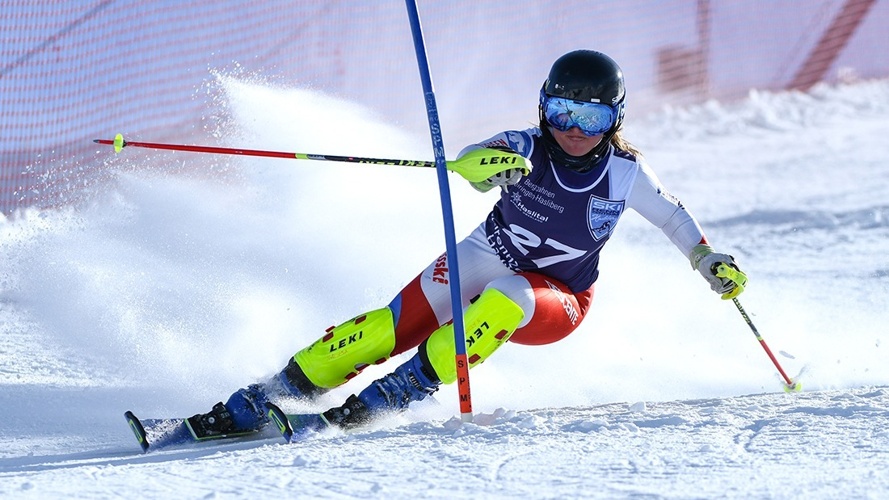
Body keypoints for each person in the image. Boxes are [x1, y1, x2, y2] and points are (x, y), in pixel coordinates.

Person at [187, 49, 748, 438]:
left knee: (509, 296)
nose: (573, 128)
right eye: (562, 111)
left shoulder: (626, 175)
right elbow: (476, 161)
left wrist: (707, 260)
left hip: (558, 299)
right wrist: (485, 168)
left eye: (592, 115)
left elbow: (675, 220)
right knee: (385, 327)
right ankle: (274, 393)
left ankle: (402, 389)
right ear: (543, 108)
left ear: (615, 117)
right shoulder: (524, 145)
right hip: (487, 252)